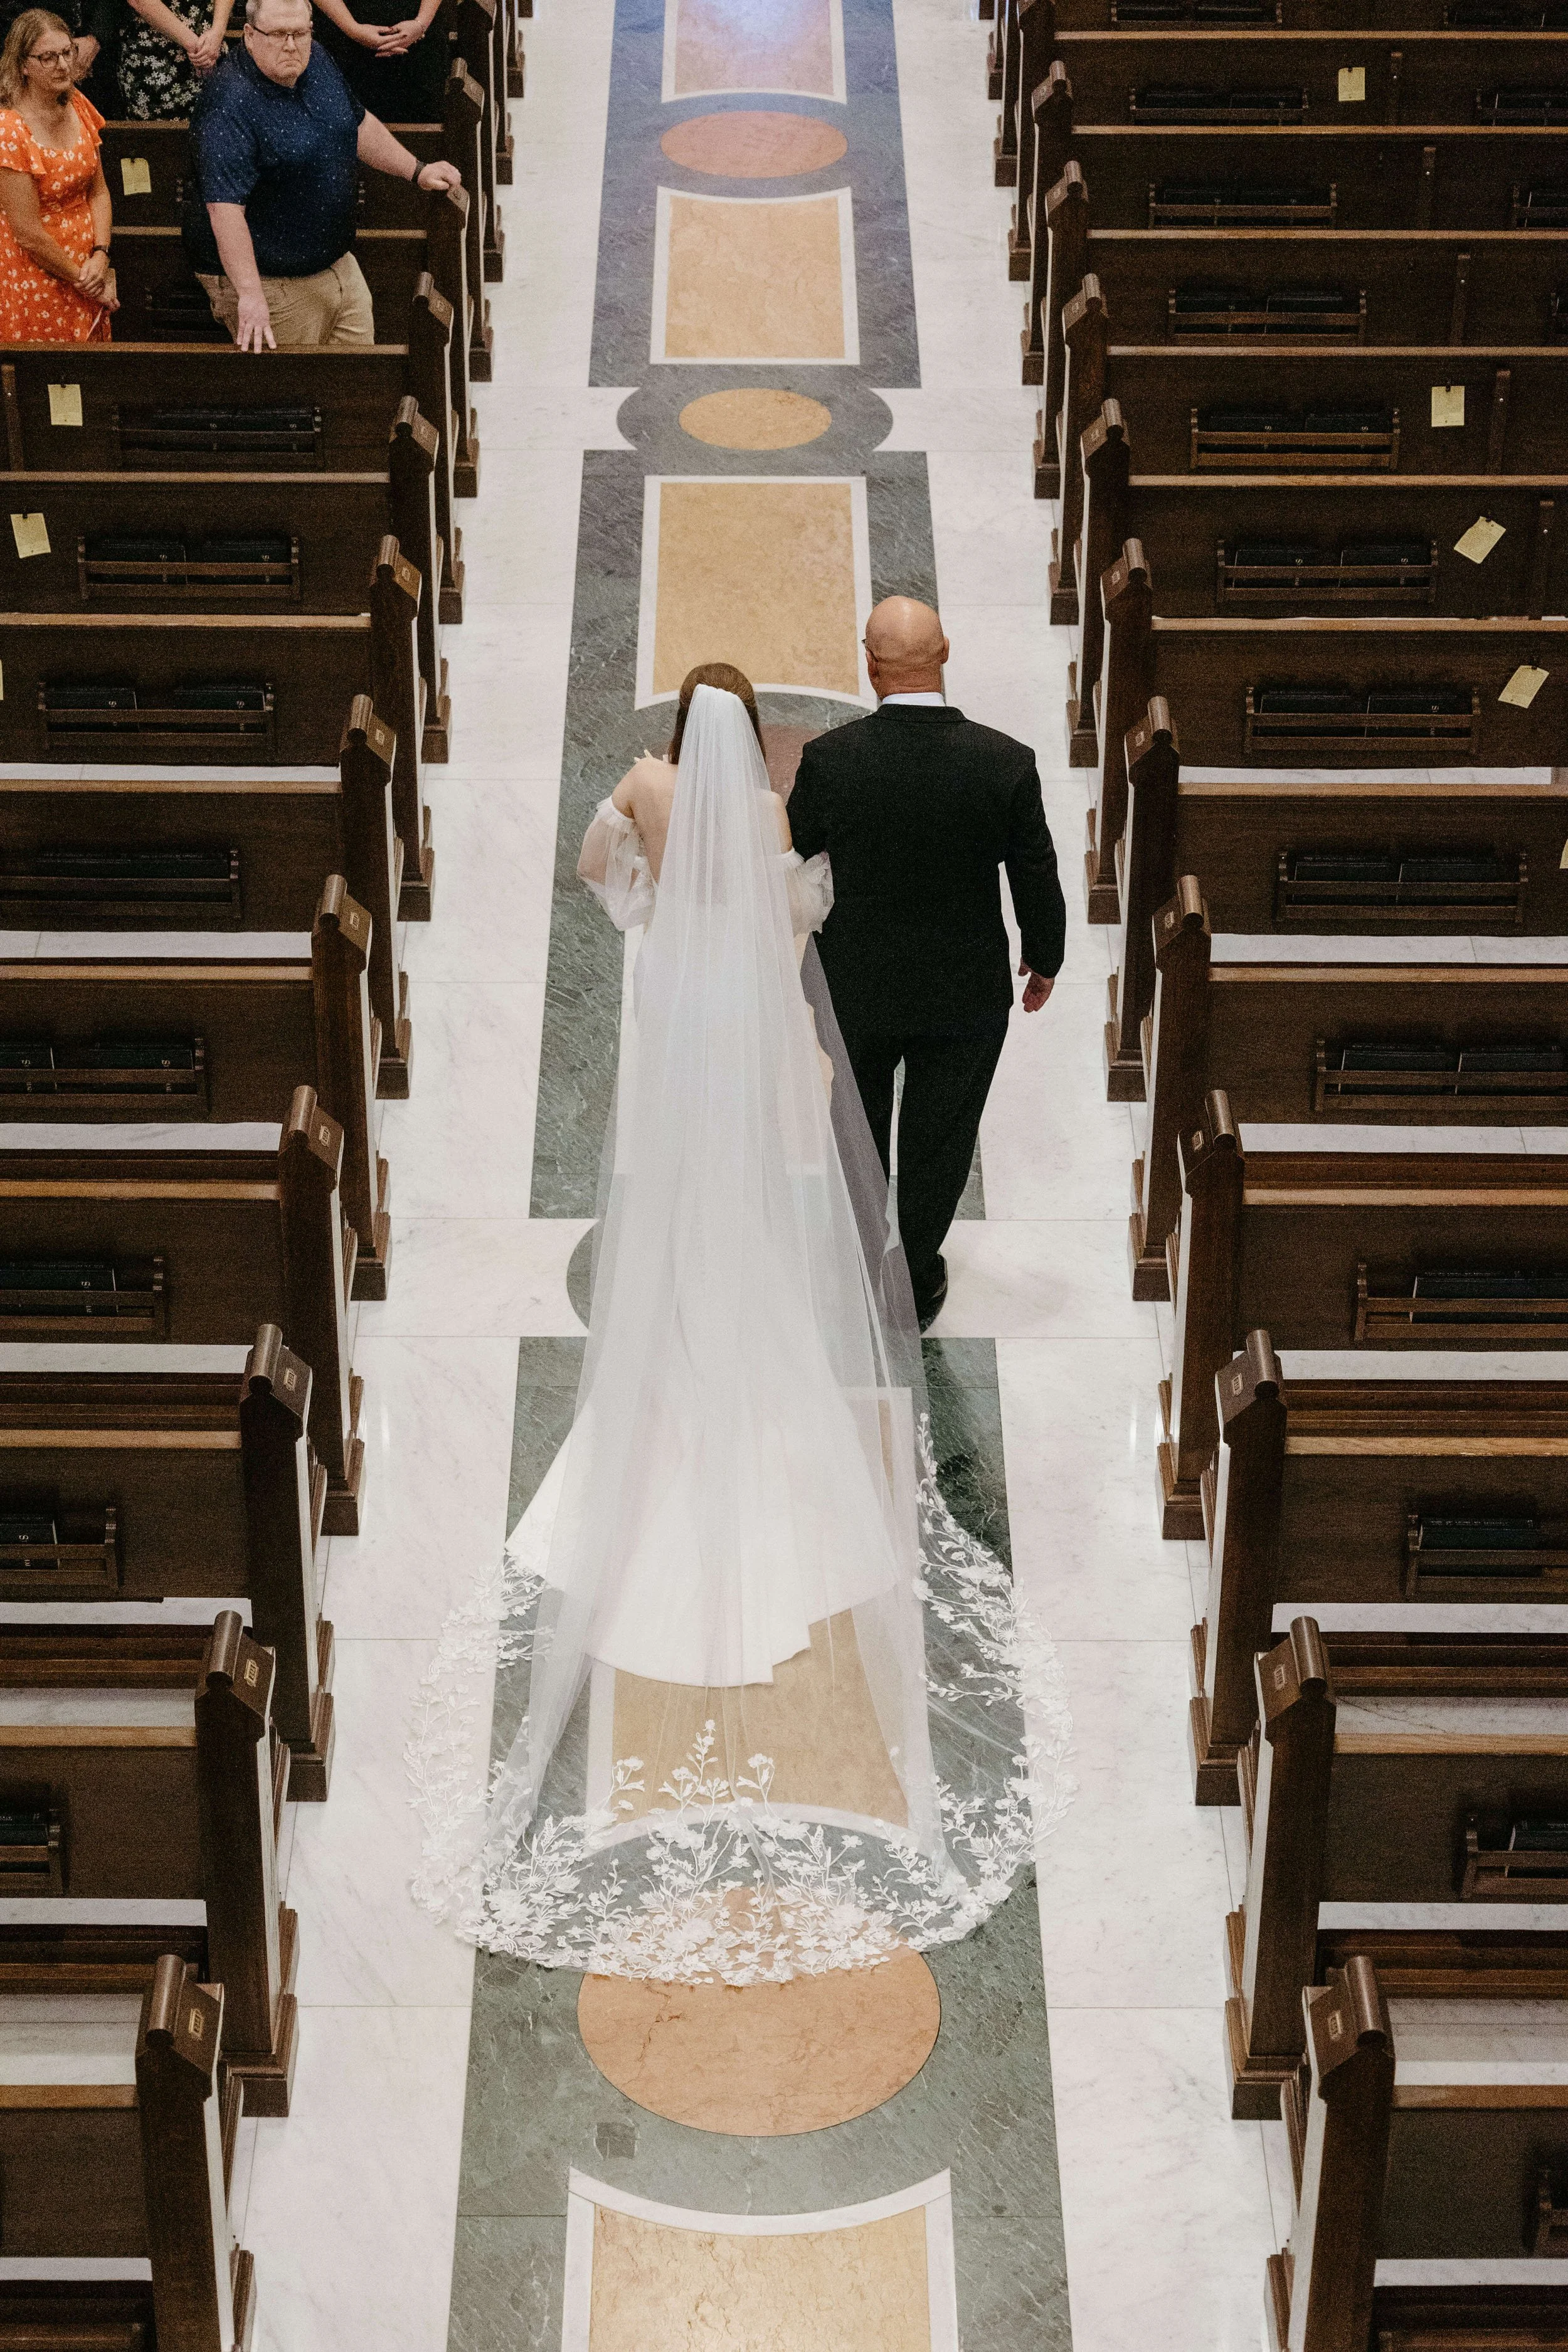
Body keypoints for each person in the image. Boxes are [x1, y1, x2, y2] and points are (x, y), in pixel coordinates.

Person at [407, 679, 1073, 1986]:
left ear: (670, 735)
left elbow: (595, 868)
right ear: (752, 728)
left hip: (671, 1015)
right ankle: (750, 1356)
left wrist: (645, 914)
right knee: (750, 1194)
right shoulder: (769, 807)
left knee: (670, 1186)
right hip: (739, 1014)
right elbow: (789, 927)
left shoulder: (640, 790)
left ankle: (676, 1352)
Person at [788, 596, 1067, 1331]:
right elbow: (1035, 872)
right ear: (945, 653)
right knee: (942, 1134)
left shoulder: (830, 760)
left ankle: (854, 1257)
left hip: (857, 983)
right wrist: (1044, 959)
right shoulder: (1005, 762)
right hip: (964, 989)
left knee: (856, 1121)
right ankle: (913, 1267)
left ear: (869, 665)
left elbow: (799, 848)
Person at [181, 0, 459, 351]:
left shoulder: (318, 61)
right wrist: (249, 295)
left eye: (300, 33)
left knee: (359, 385)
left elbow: (357, 124)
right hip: (271, 281)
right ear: (249, 36)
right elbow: (225, 209)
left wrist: (417, 170)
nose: (291, 45)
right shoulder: (227, 104)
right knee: (303, 393)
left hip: (335, 263)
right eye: (279, 34)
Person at [0, 6, 115, 343]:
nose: (63, 65)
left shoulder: (76, 102)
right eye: (48, 58)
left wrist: (101, 253)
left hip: (88, 266)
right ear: (23, 65)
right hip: (37, 275)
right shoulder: (9, 129)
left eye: (68, 52)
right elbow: (28, 233)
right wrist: (84, 279)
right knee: (54, 382)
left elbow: (99, 191)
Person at [312, 0, 448, 125]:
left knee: (422, 125)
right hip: (342, 39)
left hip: (420, 42)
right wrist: (353, 29)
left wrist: (421, 23)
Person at [118, 0, 232, 121]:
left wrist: (218, 31)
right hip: (156, 62)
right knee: (161, 135)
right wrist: (195, 47)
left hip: (212, 49)